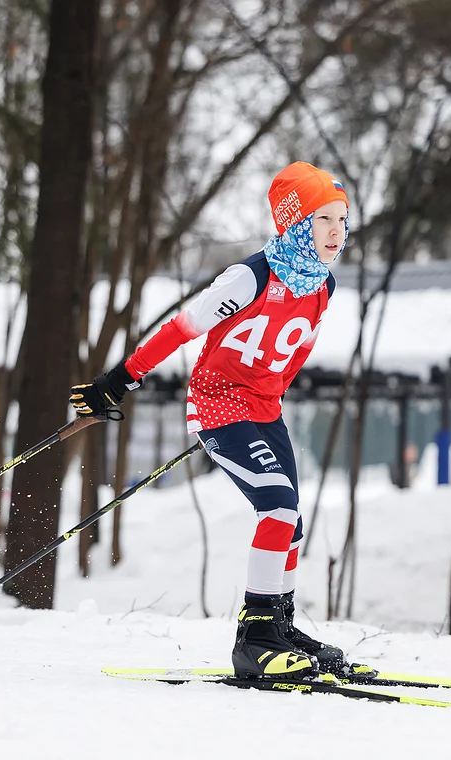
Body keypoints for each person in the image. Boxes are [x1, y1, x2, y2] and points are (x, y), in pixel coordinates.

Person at [70, 161, 374, 681]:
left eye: (343, 220)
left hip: (263, 411)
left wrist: (264, 402)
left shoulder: (322, 286)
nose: (337, 232)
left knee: (291, 521)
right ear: (297, 222)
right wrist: (120, 379)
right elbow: (183, 327)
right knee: (276, 505)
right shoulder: (249, 277)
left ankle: (279, 626)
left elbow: (288, 355)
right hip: (219, 404)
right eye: (325, 219)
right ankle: (254, 640)